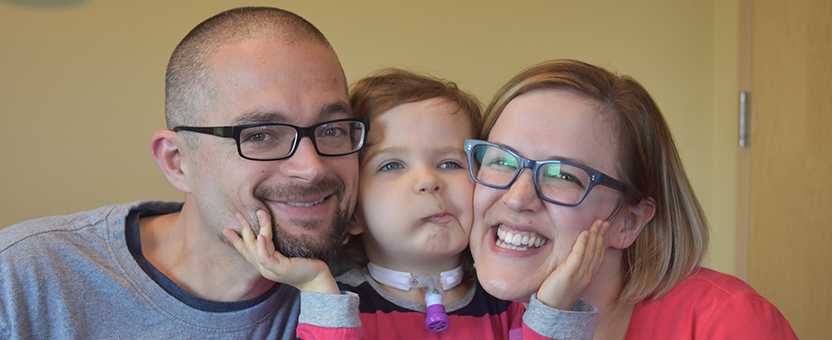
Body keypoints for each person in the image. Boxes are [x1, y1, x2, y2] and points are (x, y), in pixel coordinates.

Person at [0, 7, 366, 339]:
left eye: (332, 130)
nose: (311, 168)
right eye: (260, 135)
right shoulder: (25, 280)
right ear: (177, 162)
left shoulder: (370, 292)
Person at [225, 69, 605, 340]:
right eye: (392, 165)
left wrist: (554, 310)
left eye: (450, 164)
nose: (428, 181)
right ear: (352, 211)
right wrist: (318, 287)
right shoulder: (337, 302)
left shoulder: (509, 304)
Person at [466, 59, 798, 339]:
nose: (517, 198)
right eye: (501, 160)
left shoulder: (730, 322)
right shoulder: (472, 318)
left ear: (630, 221)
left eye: (563, 176)